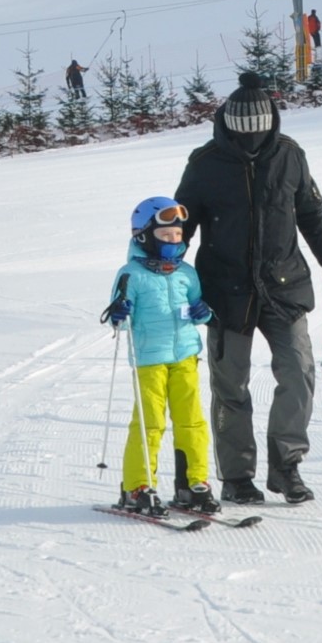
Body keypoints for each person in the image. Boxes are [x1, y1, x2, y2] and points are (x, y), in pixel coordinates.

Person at [173, 75, 322, 505]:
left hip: (284, 285)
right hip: (224, 292)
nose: (250, 139)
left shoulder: (290, 155)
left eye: (258, 130)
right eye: (241, 131)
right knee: (230, 386)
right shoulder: (204, 163)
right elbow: (180, 227)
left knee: (299, 373)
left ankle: (286, 466)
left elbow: (312, 216)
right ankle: (237, 477)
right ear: (228, 125)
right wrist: (158, 273)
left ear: (270, 123)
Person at [95, 198, 218, 517]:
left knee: (192, 420)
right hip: (150, 359)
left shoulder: (186, 273)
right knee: (150, 422)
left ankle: (194, 483)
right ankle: (137, 486)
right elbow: (116, 320)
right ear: (144, 237)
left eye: (177, 236)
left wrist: (203, 313)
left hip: (185, 357)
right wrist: (120, 313)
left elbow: (197, 307)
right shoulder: (131, 274)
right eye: (165, 236)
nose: (173, 242)